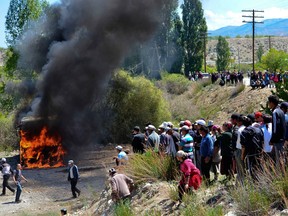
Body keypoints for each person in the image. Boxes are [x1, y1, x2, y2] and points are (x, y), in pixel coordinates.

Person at [268, 95, 286, 164]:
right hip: (282, 140)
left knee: (278, 162)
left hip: (277, 141)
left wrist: (272, 140)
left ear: (272, 103)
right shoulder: (281, 111)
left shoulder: (275, 112)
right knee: (282, 161)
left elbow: (275, 128)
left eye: (269, 102)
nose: (268, 104)